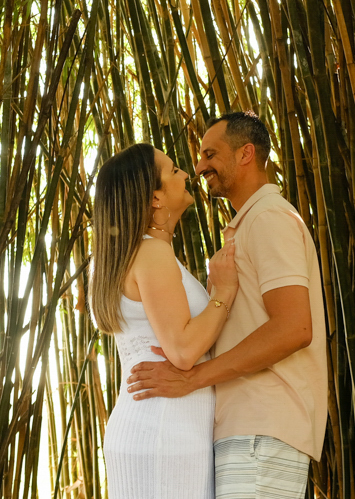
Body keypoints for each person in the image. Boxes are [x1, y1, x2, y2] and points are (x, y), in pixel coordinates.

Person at [127, 112, 327, 499]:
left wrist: (193, 378)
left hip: (262, 430)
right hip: (250, 431)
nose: (198, 166)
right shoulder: (250, 223)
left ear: (246, 154)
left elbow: (294, 328)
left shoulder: (269, 217)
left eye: (210, 154)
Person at [91, 143, 240, 499]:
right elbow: (183, 350)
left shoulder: (135, 253)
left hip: (154, 427)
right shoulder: (152, 252)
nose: (187, 174)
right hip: (165, 433)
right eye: (173, 171)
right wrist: (225, 291)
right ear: (154, 198)